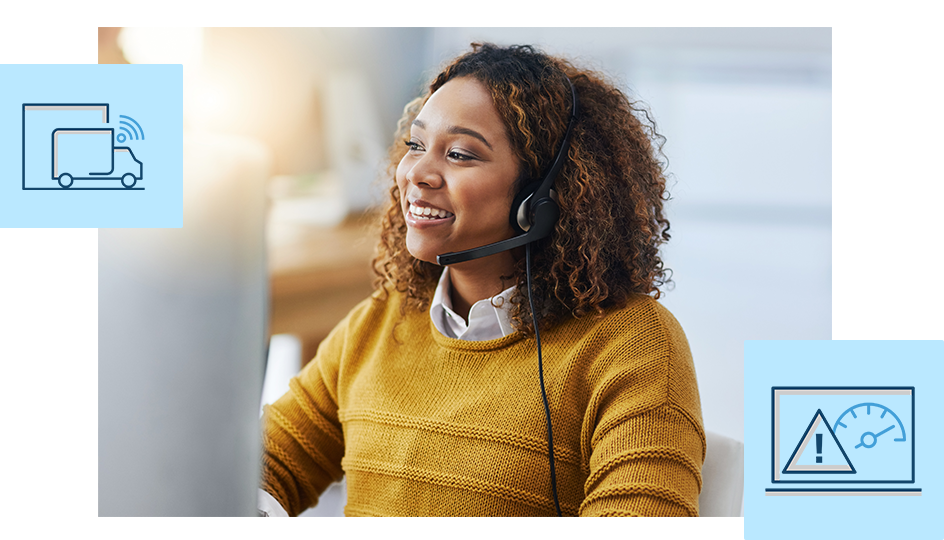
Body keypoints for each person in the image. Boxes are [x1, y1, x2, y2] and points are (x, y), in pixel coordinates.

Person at [259, 43, 705, 517]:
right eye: (415, 145)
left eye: (459, 154)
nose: (418, 174)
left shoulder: (634, 345)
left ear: (541, 199)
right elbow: (268, 463)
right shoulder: (383, 319)